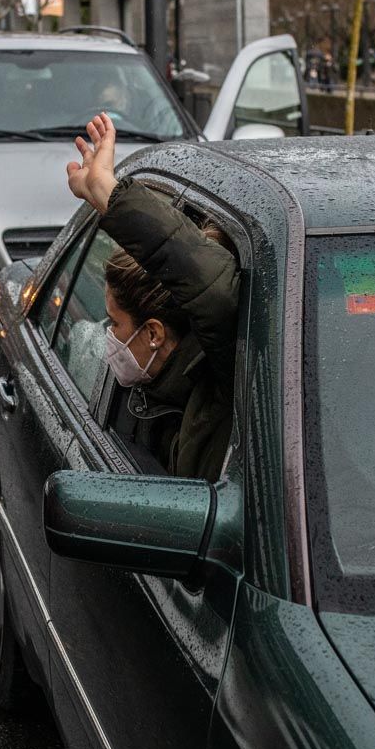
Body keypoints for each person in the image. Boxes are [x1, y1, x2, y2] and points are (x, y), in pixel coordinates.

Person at [64, 112, 235, 479]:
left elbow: (215, 291)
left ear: (154, 333)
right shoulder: (158, 387)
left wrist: (107, 194)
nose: (106, 335)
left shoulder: (226, 382)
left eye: (115, 322)